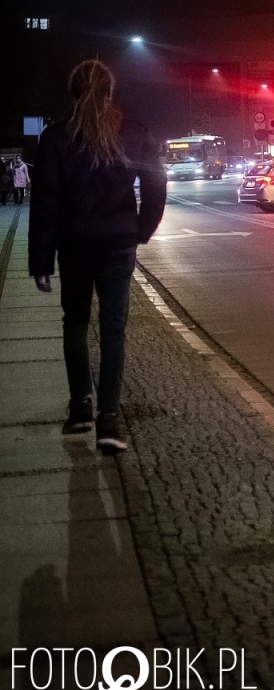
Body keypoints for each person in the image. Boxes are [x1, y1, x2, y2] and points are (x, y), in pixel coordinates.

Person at [29, 59, 167, 454]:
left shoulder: (55, 138)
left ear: (73, 93)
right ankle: (109, 419)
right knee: (113, 330)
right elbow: (156, 185)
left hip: (73, 247)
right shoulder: (133, 132)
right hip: (117, 245)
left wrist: (41, 261)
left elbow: (46, 204)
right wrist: (140, 230)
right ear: (109, 93)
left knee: (74, 322)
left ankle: (79, 408)